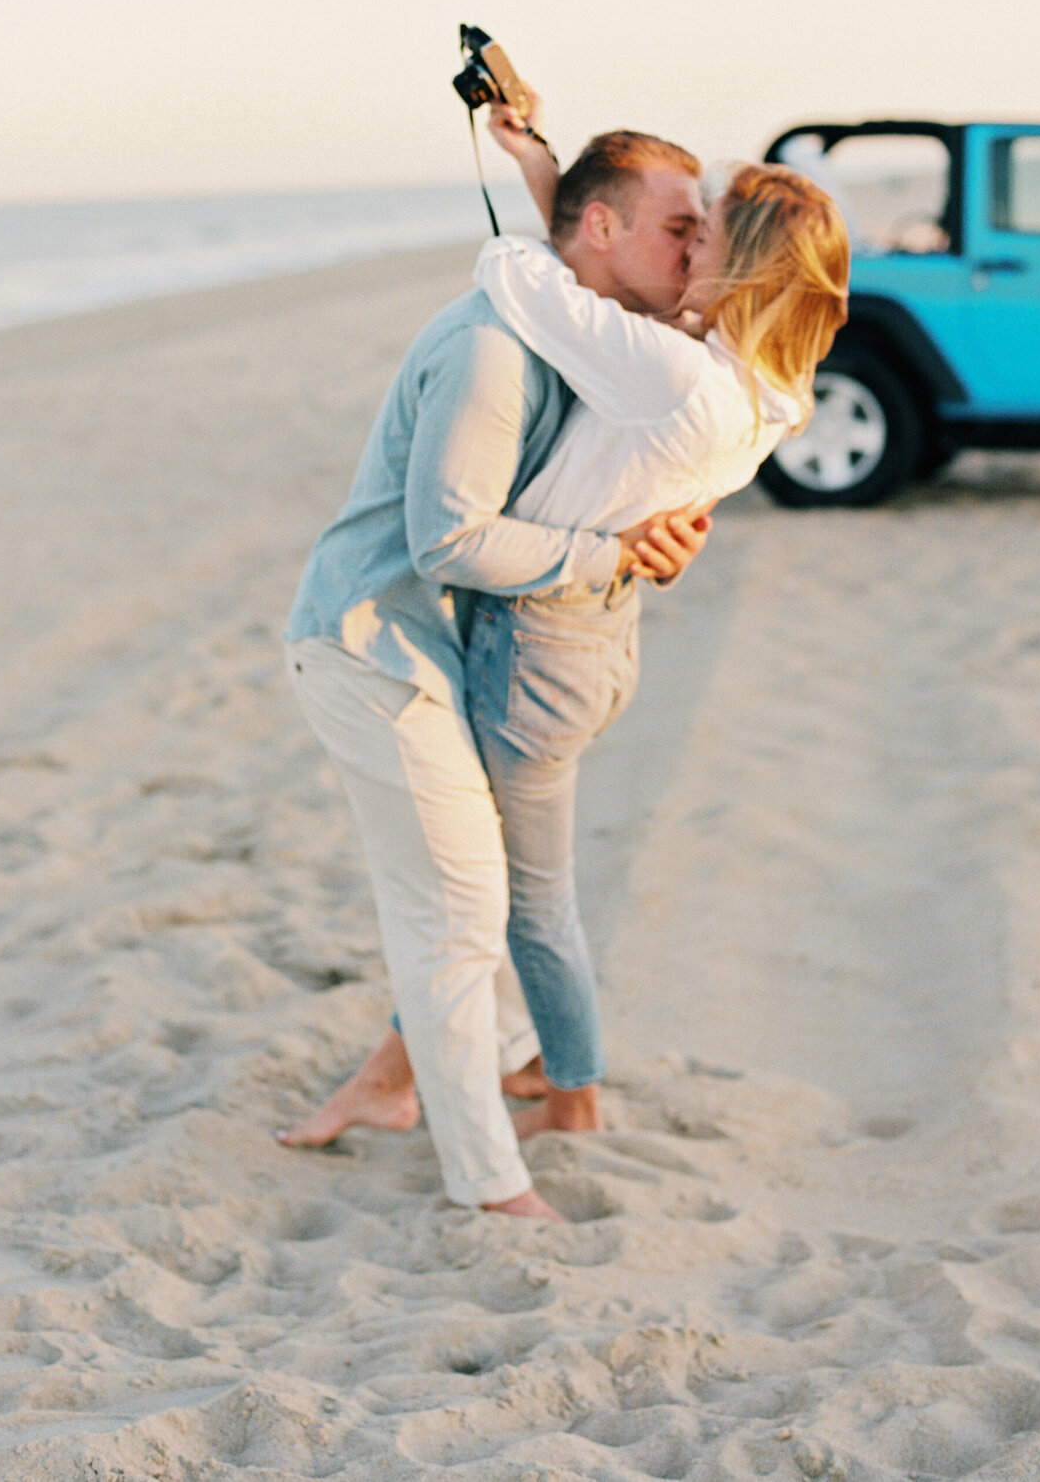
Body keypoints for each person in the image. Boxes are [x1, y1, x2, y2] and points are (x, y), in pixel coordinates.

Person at [292, 105, 850, 1147]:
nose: (686, 246)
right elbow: (597, 261)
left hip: (541, 647)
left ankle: (571, 1093)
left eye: (704, 234)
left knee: (519, 901)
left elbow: (538, 283)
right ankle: (444, 1067)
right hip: (585, 639)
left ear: (738, 270)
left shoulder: (681, 373)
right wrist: (544, 172)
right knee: (492, 884)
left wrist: (523, 227)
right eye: (678, 229)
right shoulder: (755, 381)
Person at [281, 130, 713, 1218]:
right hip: (371, 648)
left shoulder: (589, 331)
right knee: (463, 917)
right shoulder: (493, 351)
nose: (698, 245)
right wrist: (612, 555)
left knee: (487, 897)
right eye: (679, 225)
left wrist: (663, 536)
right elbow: (448, 541)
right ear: (604, 230)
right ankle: (487, 1183)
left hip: (453, 650)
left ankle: (406, 1079)